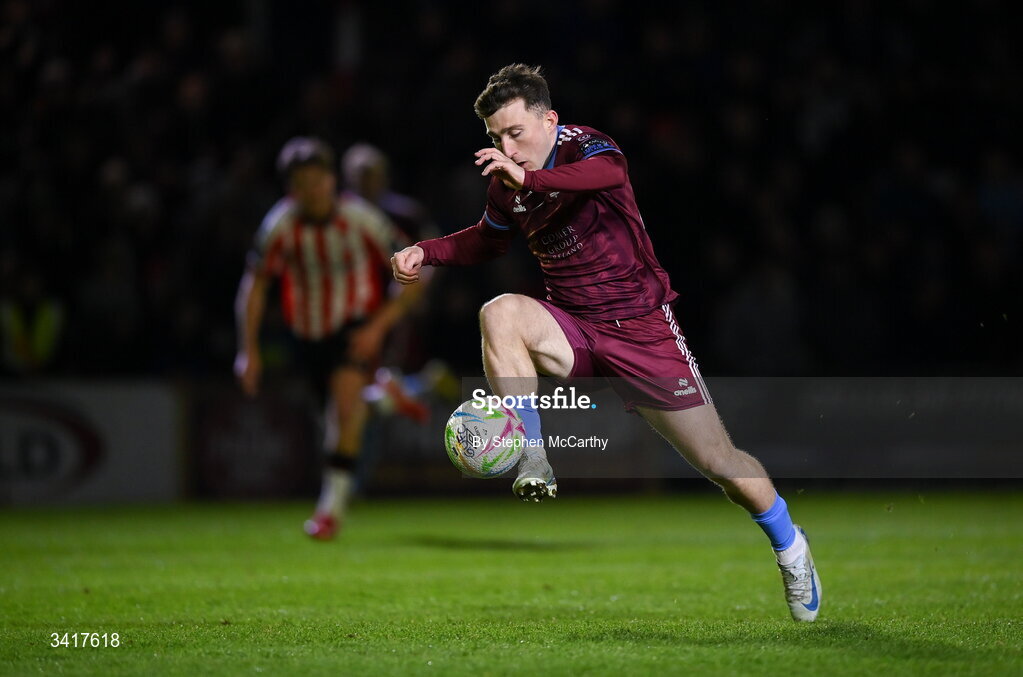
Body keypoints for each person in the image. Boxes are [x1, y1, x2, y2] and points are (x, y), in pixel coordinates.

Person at [390, 64, 822, 622]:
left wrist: (530, 181)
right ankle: (534, 455)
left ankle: (791, 547)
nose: (506, 147)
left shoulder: (586, 148)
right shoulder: (507, 184)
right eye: (496, 138)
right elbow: (486, 242)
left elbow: (606, 176)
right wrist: (427, 251)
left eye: (516, 133)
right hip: (576, 331)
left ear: (549, 119)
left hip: (642, 332)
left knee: (721, 464)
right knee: (500, 313)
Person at [235, 137, 416, 540]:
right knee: (339, 416)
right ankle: (384, 397)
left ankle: (329, 511)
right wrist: (248, 350)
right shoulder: (280, 226)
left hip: (356, 327)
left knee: (342, 413)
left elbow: (415, 270)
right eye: (304, 184)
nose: (314, 192)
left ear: (333, 180)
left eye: (320, 181)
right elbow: (256, 286)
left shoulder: (361, 219)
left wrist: (377, 326)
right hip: (307, 337)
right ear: (291, 190)